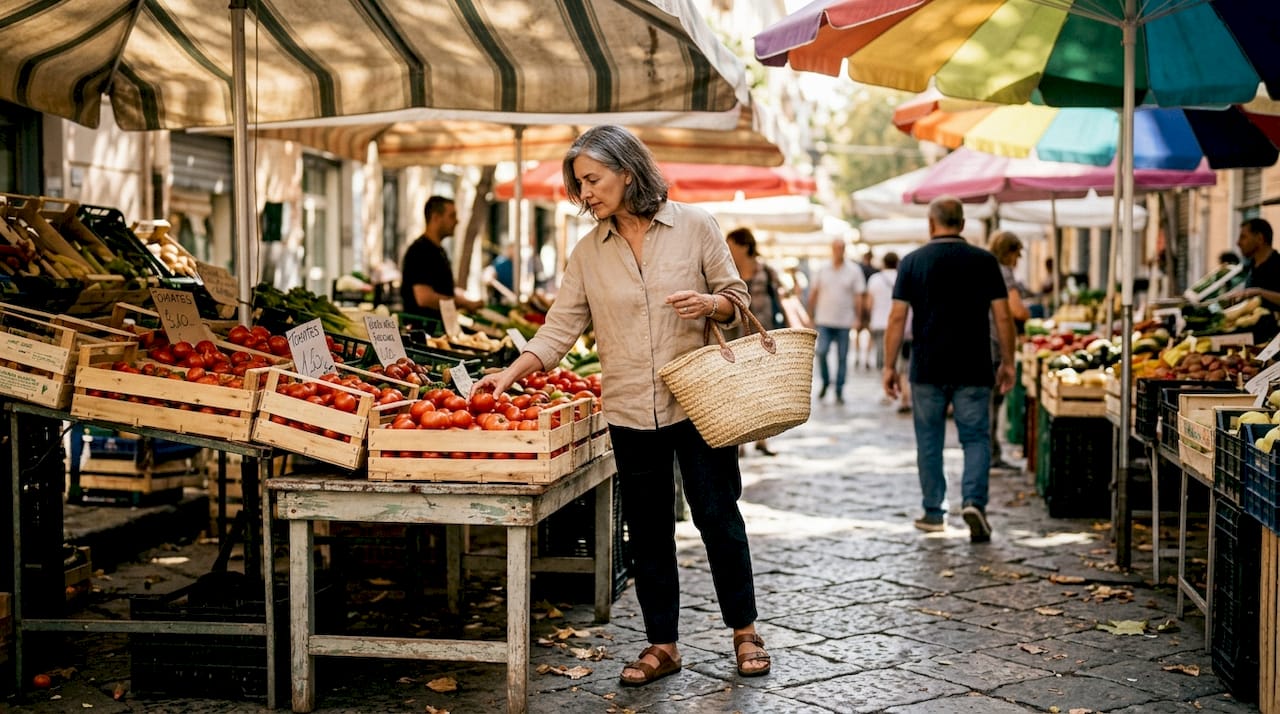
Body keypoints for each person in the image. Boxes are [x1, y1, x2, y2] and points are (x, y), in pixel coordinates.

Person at [471, 125, 770, 687]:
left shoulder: (696, 226)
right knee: (648, 530)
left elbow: (737, 299)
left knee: (718, 519)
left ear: (627, 171)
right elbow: (559, 329)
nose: (585, 193)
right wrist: (509, 375)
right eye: (579, 184)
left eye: (592, 179)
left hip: (700, 401)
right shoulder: (588, 253)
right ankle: (663, 645)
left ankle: (745, 630)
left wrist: (710, 303)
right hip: (631, 410)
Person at [882, 197, 1016, 543]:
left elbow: (897, 317)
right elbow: (1003, 316)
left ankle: (932, 512)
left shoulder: (912, 262)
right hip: (974, 365)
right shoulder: (985, 261)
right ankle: (974, 503)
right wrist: (1009, 361)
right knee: (975, 438)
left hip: (927, 367)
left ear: (931, 223)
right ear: (963, 222)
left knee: (929, 441)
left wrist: (888, 366)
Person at [725, 226, 786, 457]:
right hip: (737, 342)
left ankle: (762, 439)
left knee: (763, 389)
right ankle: (740, 440)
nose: (727, 249)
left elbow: (780, 302)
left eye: (730, 245)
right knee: (739, 390)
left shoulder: (767, 272)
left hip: (764, 340)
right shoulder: (728, 275)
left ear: (744, 246)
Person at [988, 232, 1031, 470]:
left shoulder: (983, 267)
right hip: (996, 343)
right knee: (993, 402)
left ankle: (988, 453)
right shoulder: (1003, 273)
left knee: (986, 405)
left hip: (982, 342)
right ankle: (991, 455)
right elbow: (1014, 311)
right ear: (1010, 252)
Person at [399, 196, 483, 319]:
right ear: (436, 218)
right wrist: (464, 303)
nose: (457, 221)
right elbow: (424, 298)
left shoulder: (439, 251)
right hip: (425, 332)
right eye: (452, 216)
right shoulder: (420, 251)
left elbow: (443, 291)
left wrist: (464, 298)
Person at [807, 238, 866, 404]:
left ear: (845, 250)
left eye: (841, 248)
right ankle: (826, 382)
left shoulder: (854, 270)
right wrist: (810, 316)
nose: (838, 251)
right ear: (832, 249)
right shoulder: (822, 269)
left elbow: (859, 296)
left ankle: (839, 389)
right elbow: (814, 293)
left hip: (844, 321)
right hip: (824, 319)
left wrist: (859, 318)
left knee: (842, 357)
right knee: (822, 352)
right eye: (836, 248)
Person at [1232, 218, 1280, 306]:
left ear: (1259, 239)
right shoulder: (1250, 266)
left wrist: (1260, 293)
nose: (1238, 243)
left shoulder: (1277, 265)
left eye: (1243, 237)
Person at [865, 251, 898, 371]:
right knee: (895, 354)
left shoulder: (875, 279)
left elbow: (869, 304)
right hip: (896, 322)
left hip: (878, 321)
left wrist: (869, 317)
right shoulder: (901, 276)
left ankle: (882, 373)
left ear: (884, 263)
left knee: (880, 350)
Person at [856, 251, 879, 369]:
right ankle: (866, 358)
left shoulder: (858, 269)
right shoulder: (875, 271)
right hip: (870, 305)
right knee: (869, 333)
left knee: (857, 332)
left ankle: (857, 356)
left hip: (859, 304)